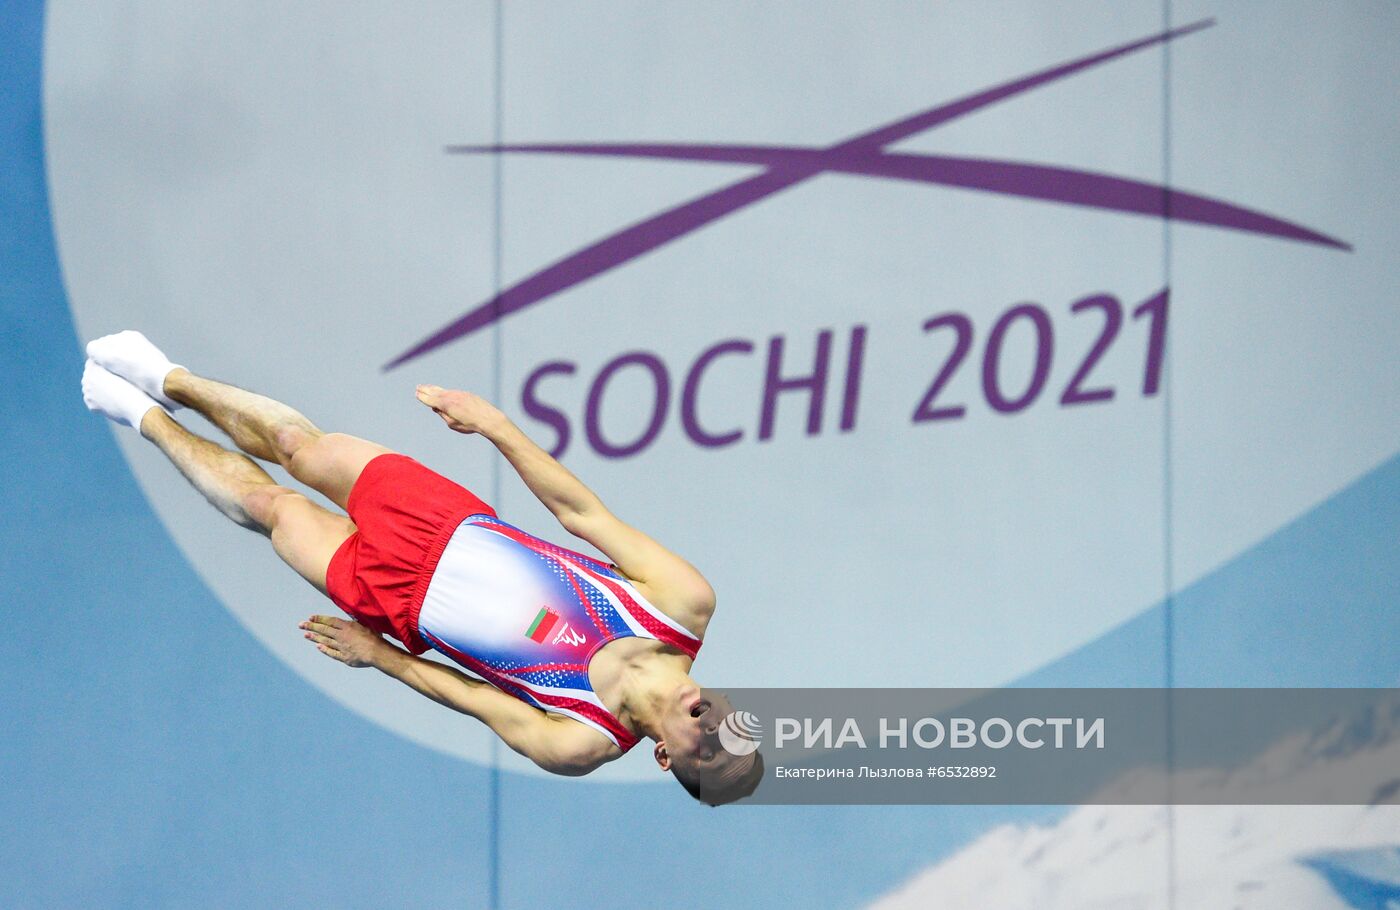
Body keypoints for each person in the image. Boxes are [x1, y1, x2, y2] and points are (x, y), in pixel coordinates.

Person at [80, 330, 761, 805]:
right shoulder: (682, 602)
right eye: (733, 727)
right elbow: (581, 512)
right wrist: (497, 426)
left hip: (402, 605)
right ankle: (167, 380)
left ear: (666, 758)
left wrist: (378, 656)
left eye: (709, 753)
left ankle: (144, 418)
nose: (713, 728)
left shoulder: (581, 744)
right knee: (297, 446)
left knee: (272, 508)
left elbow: (467, 696)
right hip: (444, 521)